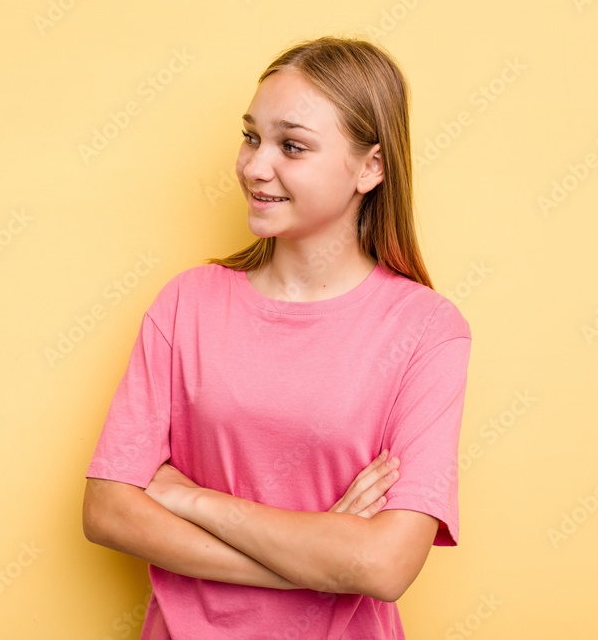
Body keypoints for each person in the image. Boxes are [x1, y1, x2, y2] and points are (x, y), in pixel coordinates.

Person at [82, 35, 472, 639]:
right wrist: (316, 560)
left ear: (371, 167)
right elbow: (108, 510)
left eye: (292, 146)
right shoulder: (186, 302)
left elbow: (384, 564)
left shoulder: (427, 331)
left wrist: (191, 499)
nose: (255, 166)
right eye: (251, 136)